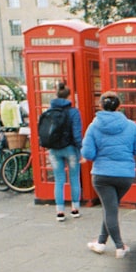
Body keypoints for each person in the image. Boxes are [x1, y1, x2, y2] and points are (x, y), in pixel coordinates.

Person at [81, 91, 136, 258]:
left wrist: (100, 156)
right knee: (111, 207)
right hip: (125, 175)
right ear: (119, 106)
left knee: (110, 209)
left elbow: (88, 153)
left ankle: (120, 246)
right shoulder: (131, 125)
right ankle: (101, 243)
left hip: (102, 174)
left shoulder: (94, 126)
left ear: (100, 106)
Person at [46, 82, 84, 222]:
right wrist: (81, 149)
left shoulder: (48, 111)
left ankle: (60, 211)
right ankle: (75, 209)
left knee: (59, 180)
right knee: (74, 178)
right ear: (69, 96)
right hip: (70, 149)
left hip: (54, 149)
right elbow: (77, 133)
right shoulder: (73, 112)